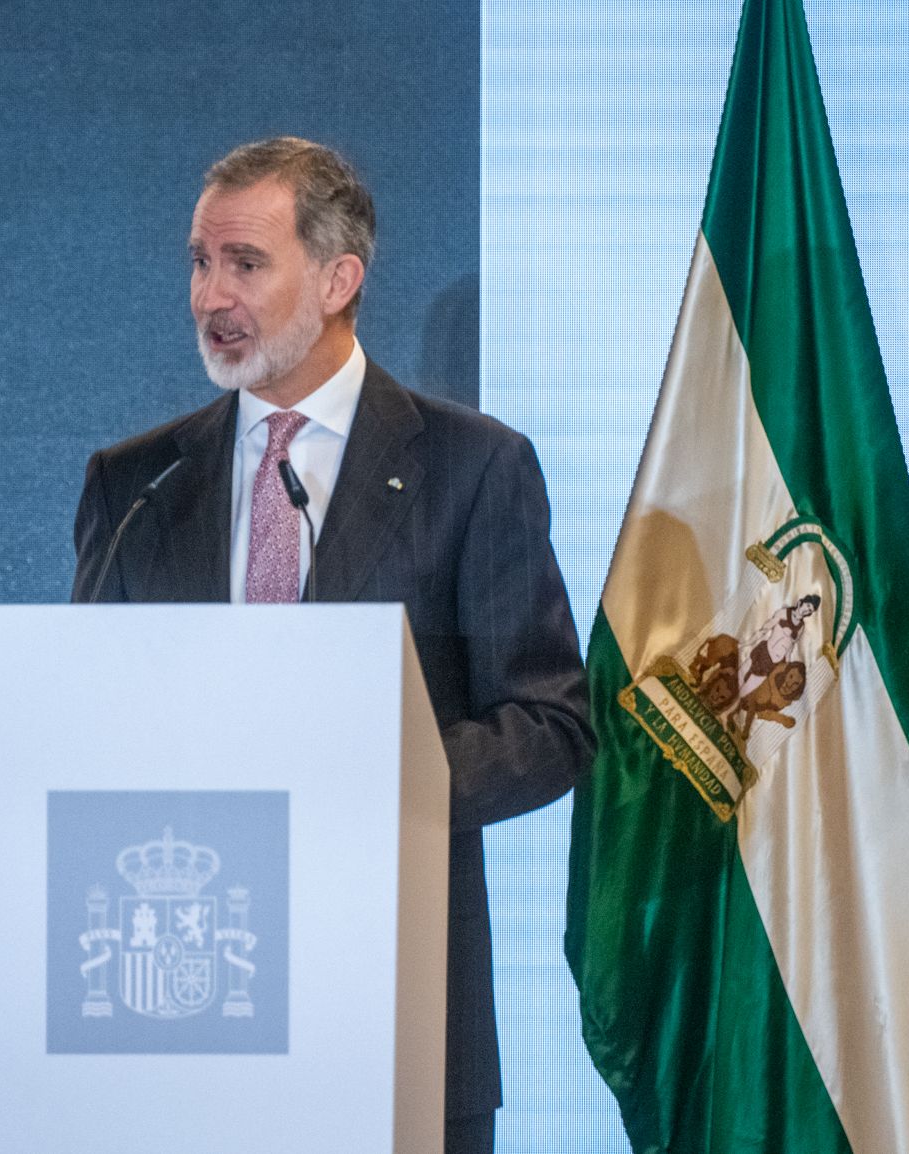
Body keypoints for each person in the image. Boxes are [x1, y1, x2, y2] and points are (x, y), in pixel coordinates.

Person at [70, 137, 594, 1153]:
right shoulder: (133, 486)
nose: (208, 295)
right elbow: (89, 726)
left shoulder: (473, 467)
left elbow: (550, 722)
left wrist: (365, 773)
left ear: (339, 277)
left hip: (396, 1009)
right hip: (182, 1023)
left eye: (245, 263)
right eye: (198, 260)